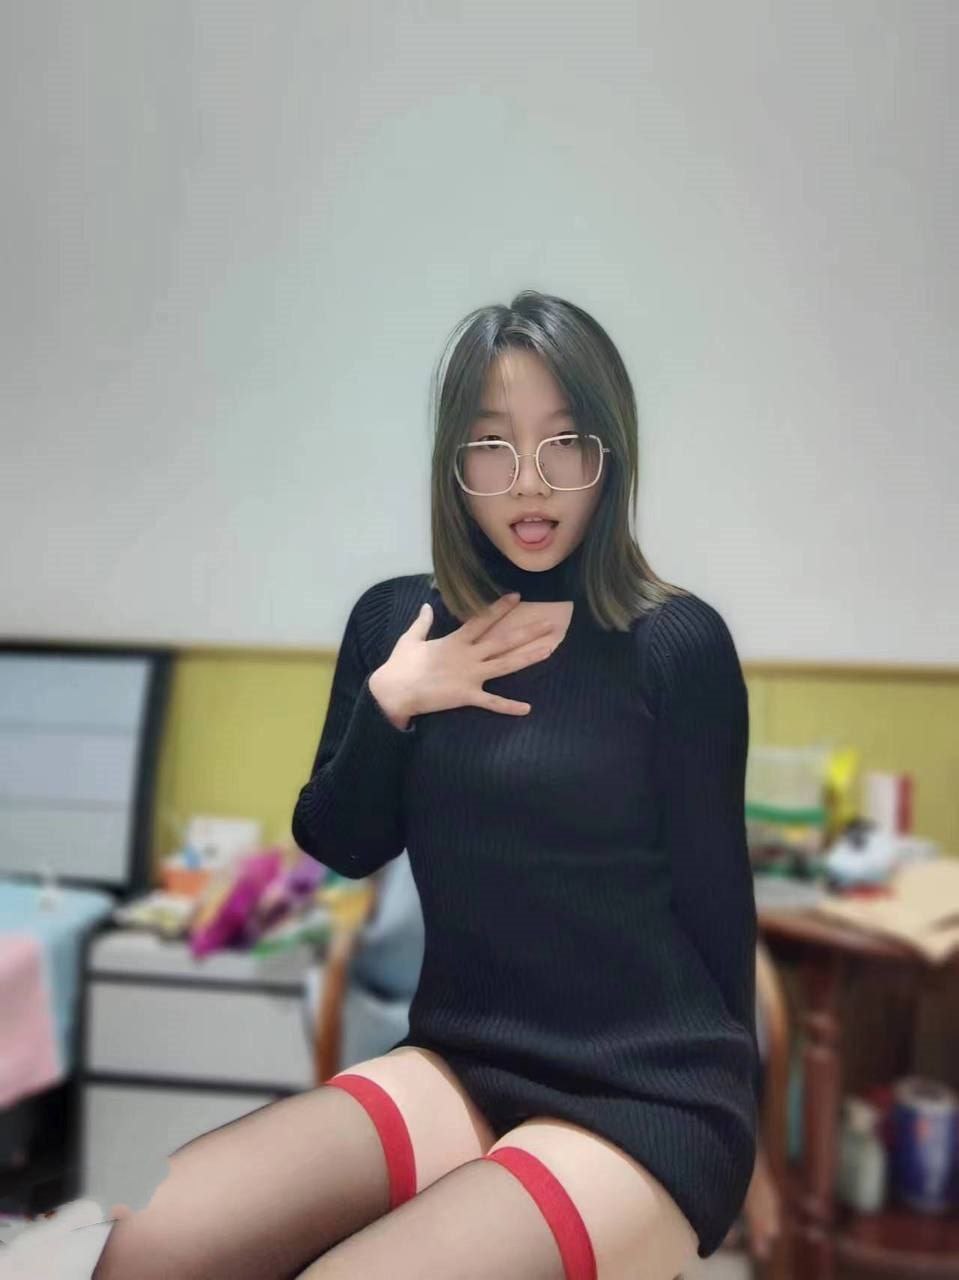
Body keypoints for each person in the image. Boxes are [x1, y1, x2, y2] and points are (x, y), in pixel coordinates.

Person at [94, 292, 760, 1280]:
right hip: (462, 1060)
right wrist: (394, 700)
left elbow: (719, 908)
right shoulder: (395, 624)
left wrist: (744, 1149)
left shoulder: (673, 643)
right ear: (453, 463)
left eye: (564, 443)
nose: (527, 481)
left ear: (609, 454)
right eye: (491, 445)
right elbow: (340, 841)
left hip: (650, 1089)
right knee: (149, 1244)